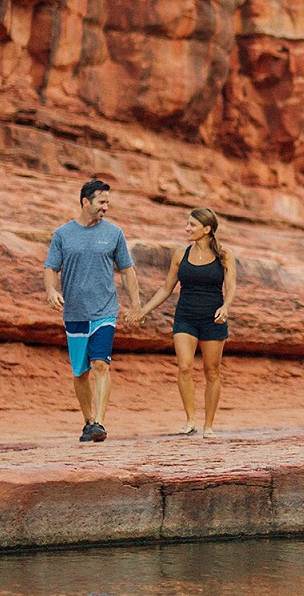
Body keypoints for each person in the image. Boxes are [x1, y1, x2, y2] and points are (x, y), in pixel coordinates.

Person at [43, 179, 141, 442]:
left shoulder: (114, 233)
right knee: (80, 371)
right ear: (85, 202)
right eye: (101, 202)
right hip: (75, 313)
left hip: (104, 310)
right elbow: (51, 267)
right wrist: (51, 291)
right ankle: (88, 421)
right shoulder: (63, 234)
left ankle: (99, 422)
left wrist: (136, 304)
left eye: (108, 202)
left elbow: (127, 270)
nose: (106, 207)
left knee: (100, 364)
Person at [131, 207, 237, 437]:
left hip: (213, 319)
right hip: (185, 317)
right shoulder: (180, 255)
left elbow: (231, 285)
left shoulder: (224, 255)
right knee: (185, 366)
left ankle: (208, 425)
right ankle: (190, 420)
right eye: (187, 224)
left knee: (212, 371)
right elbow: (166, 288)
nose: (187, 229)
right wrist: (143, 310)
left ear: (207, 229)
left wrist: (226, 306)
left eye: (192, 225)